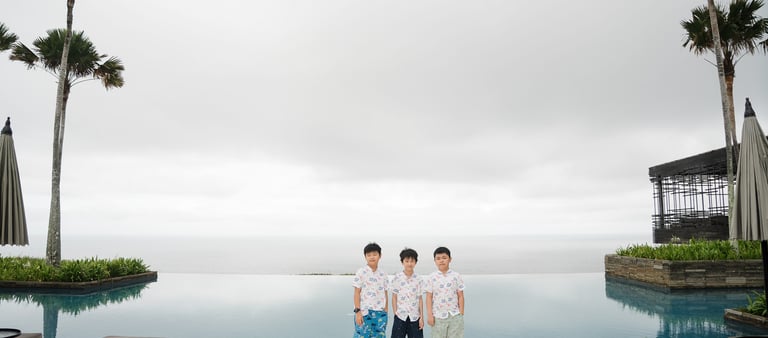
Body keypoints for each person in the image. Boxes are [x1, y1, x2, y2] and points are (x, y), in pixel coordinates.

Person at [425, 246, 465, 338]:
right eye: (438, 258)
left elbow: (460, 296)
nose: (441, 261)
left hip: (455, 315)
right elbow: (428, 297)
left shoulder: (456, 276)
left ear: (450, 259)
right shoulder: (432, 277)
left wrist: (461, 313)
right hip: (438, 316)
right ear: (435, 261)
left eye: (444, 258)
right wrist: (430, 315)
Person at [352, 242, 389, 338]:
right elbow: (356, 292)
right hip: (364, 311)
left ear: (380, 256)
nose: (372, 257)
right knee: (361, 335)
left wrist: (386, 310)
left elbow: (385, 292)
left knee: (379, 335)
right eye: (369, 255)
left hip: (380, 313)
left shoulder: (383, 274)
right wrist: (357, 311)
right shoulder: (361, 272)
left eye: (374, 254)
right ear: (365, 257)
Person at [391, 248, 424, 338]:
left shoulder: (419, 279)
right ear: (402, 262)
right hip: (400, 316)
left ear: (415, 262)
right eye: (407, 261)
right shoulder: (397, 277)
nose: (409, 263)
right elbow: (394, 296)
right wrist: (395, 313)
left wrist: (421, 318)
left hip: (415, 317)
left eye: (412, 261)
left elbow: (420, 299)